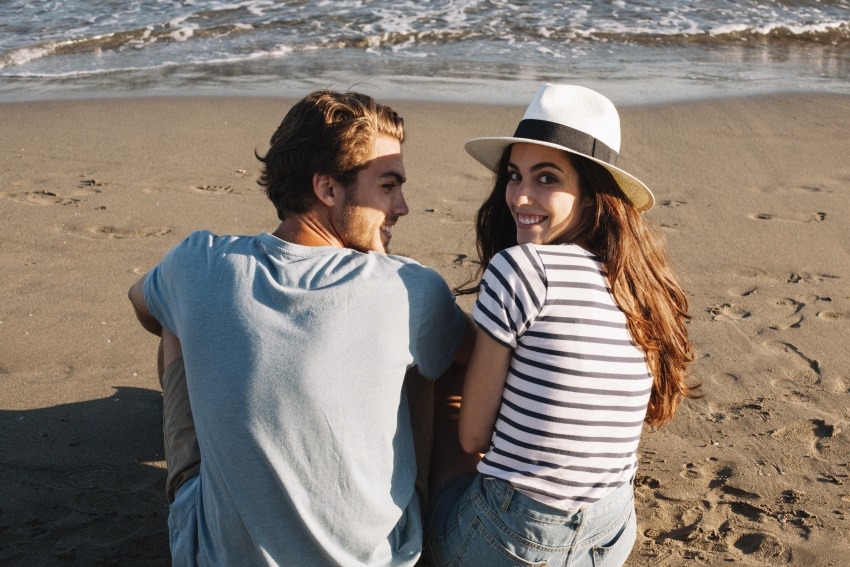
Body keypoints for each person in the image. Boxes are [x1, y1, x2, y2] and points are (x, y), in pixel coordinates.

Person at [128, 89, 473, 566]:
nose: (402, 207)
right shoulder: (407, 287)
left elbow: (140, 303)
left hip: (210, 556)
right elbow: (480, 358)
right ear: (328, 189)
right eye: (388, 186)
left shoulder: (200, 261)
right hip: (379, 559)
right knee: (443, 354)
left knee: (175, 317)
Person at [425, 84, 698, 567]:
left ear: (593, 195)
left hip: (515, 540)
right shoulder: (638, 285)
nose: (520, 195)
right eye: (514, 175)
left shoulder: (522, 268)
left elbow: (471, 440)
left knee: (444, 371)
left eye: (547, 178)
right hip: (611, 532)